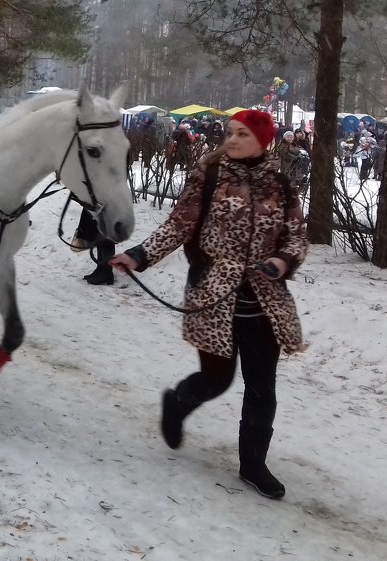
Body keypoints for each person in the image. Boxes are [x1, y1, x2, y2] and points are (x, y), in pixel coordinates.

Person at [109, 109, 308, 500]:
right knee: (217, 380)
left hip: (264, 299)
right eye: (230, 133)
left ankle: (253, 464)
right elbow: (178, 225)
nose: (232, 140)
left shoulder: (281, 184)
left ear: (262, 141)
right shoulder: (209, 177)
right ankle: (178, 404)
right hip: (214, 293)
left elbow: (297, 236)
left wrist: (282, 260)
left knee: (262, 388)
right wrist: (138, 255)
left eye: (241, 135)